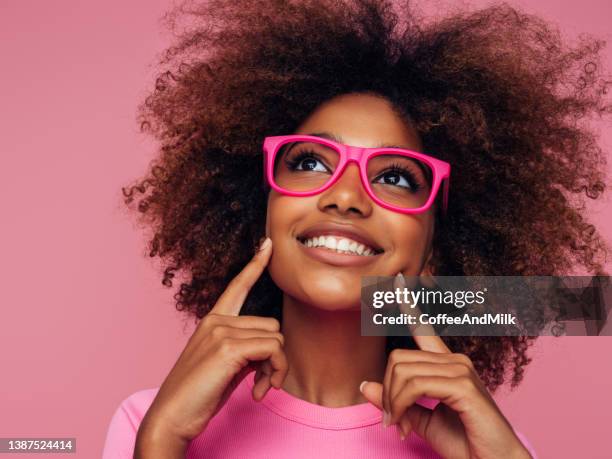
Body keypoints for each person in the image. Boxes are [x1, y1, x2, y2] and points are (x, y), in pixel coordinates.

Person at [103, 0, 610, 457]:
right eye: (309, 163)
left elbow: (587, 307)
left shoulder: (482, 445)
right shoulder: (152, 425)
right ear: (260, 210)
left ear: (435, 248)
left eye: (393, 177)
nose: (346, 197)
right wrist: (162, 442)